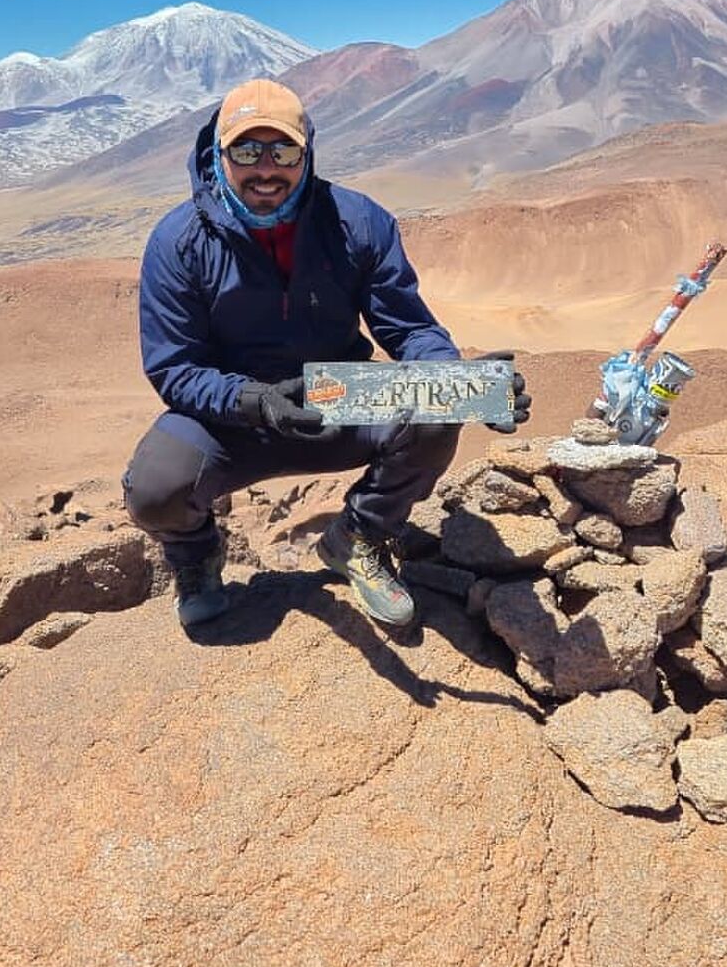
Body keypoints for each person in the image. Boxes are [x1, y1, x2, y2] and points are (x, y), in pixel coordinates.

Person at [123, 77, 530, 631]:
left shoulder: (358, 222)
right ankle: (196, 559)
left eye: (282, 150)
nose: (265, 168)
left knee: (437, 409)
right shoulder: (178, 242)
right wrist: (256, 400)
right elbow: (175, 367)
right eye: (246, 150)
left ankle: (359, 537)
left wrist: (455, 381)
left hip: (335, 396)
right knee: (154, 488)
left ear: (307, 153)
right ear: (219, 155)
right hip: (234, 415)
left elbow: (409, 328)